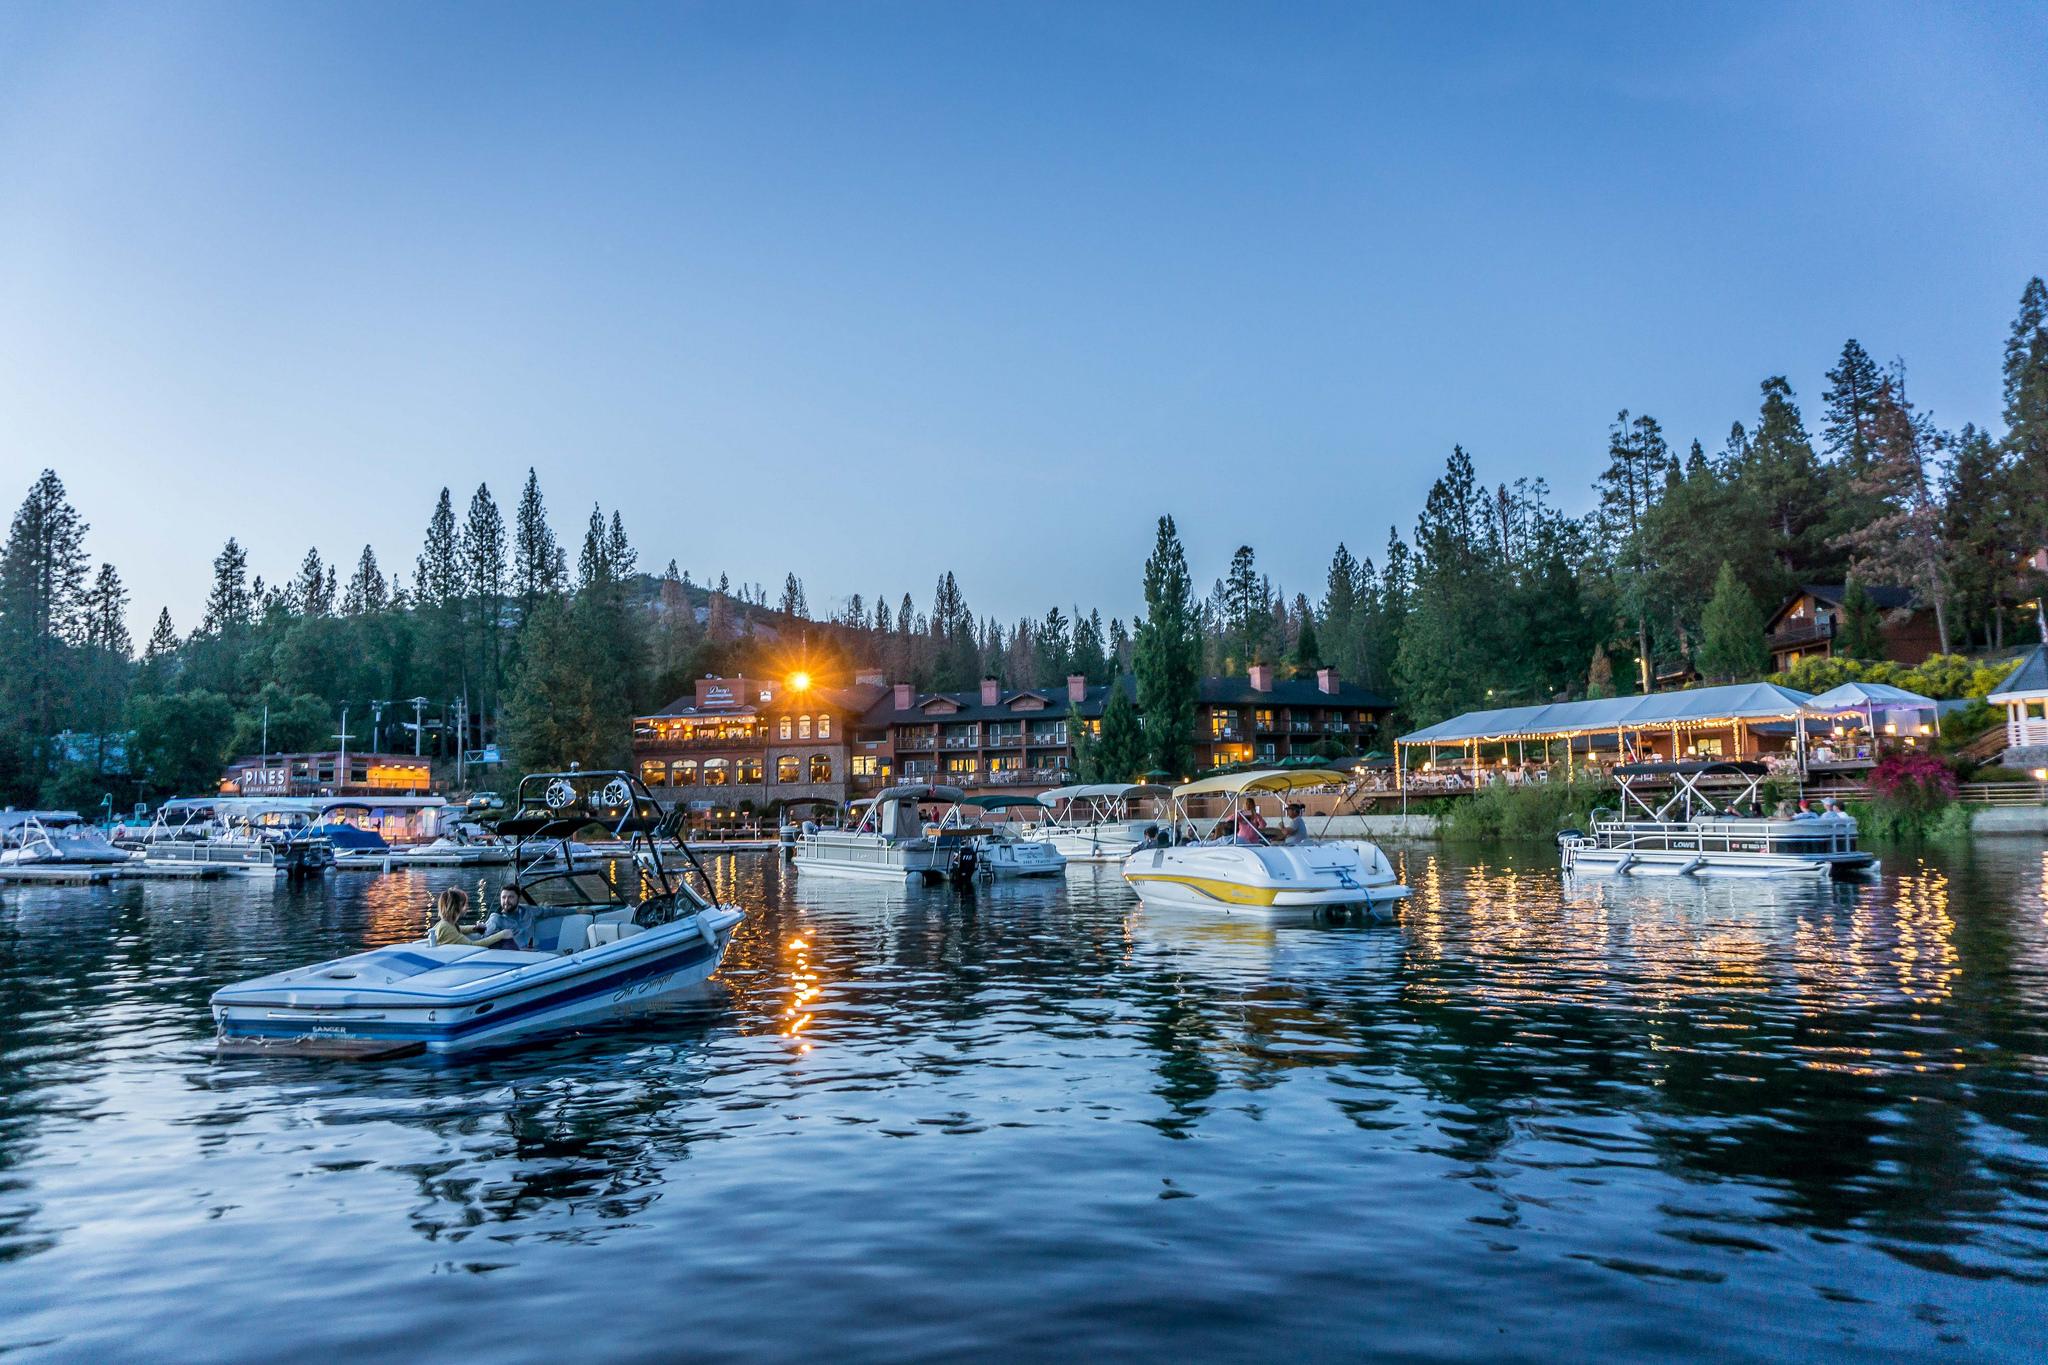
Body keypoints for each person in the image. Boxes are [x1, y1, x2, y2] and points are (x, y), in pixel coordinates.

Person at [431, 887, 510, 948]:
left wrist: (475, 928)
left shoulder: (446, 923)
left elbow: (459, 929)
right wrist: (502, 935)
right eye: (465, 904)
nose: (467, 907)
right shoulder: (446, 927)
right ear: (457, 906)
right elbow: (472, 945)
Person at [485, 884, 540, 950]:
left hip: (536, 953)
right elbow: (486, 944)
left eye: (510, 897)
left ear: (518, 898)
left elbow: (550, 911)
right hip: (513, 957)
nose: (506, 901)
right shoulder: (495, 920)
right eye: (503, 897)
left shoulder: (527, 910)